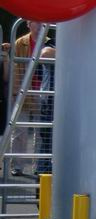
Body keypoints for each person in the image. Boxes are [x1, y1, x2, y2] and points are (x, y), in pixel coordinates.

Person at [7, 21, 55, 176]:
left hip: (43, 93)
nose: (39, 24)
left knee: (39, 133)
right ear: (28, 24)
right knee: (19, 131)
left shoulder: (49, 42)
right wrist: (16, 92)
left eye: (41, 22)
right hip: (24, 92)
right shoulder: (20, 43)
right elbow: (15, 69)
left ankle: (37, 166)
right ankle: (17, 165)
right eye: (35, 22)